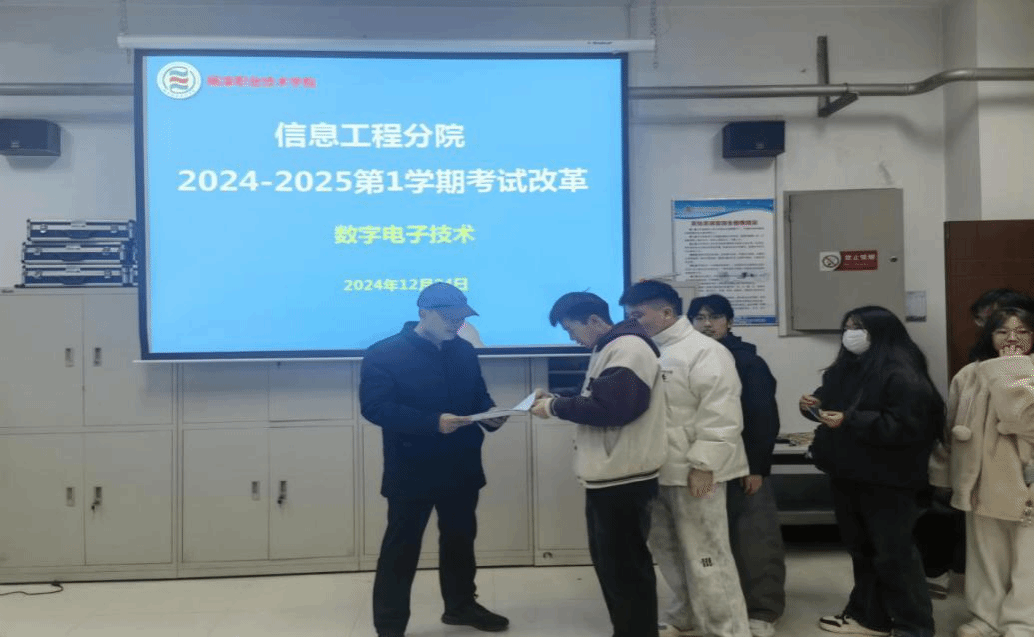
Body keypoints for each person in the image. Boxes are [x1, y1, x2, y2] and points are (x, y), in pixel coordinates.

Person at [359, 282, 509, 637]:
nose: (457, 324)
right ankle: (390, 624)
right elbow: (375, 408)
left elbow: (478, 396)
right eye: (449, 317)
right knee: (401, 546)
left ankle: (460, 606)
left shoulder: (464, 351)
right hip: (412, 467)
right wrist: (432, 422)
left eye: (462, 318)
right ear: (423, 313)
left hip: (462, 464)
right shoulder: (384, 353)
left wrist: (491, 414)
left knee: (460, 540)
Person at [530, 291, 667, 637]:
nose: (571, 337)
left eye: (571, 329)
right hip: (611, 474)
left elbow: (613, 410)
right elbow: (601, 399)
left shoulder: (628, 348)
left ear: (593, 320)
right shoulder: (609, 347)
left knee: (625, 569)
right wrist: (558, 400)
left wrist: (555, 407)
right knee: (614, 567)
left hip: (624, 477)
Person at [801, 306, 943, 637]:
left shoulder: (902, 373)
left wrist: (849, 419)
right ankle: (869, 617)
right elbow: (829, 406)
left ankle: (915, 627)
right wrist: (812, 407)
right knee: (862, 550)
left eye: (858, 327)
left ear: (881, 332)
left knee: (894, 555)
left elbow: (907, 428)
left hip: (890, 480)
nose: (850, 334)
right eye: (847, 326)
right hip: (849, 473)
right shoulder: (845, 368)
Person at [620, 281, 752, 637]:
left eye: (638, 315)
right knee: (668, 551)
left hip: (699, 474)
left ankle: (728, 630)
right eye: (629, 315)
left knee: (706, 553)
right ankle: (686, 615)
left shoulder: (705, 352)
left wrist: (703, 465)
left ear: (667, 312)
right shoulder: (648, 350)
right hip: (656, 471)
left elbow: (722, 415)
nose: (632, 322)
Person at [929, 306, 1034, 637]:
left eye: (1022, 331)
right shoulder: (968, 374)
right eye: (1002, 331)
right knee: (985, 557)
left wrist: (1011, 370)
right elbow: (951, 428)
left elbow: (1024, 422)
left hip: (1026, 482)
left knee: (1027, 559)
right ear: (989, 335)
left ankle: (1022, 623)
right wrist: (945, 476)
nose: (1012, 339)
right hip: (981, 481)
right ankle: (986, 618)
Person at [688, 293, 786, 637]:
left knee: (754, 540)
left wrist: (757, 467)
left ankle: (763, 611)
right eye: (699, 318)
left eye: (715, 317)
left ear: (729, 322)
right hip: (704, 464)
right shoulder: (689, 357)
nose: (707, 324)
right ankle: (721, 607)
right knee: (712, 542)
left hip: (744, 465)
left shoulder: (747, 361)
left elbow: (763, 417)